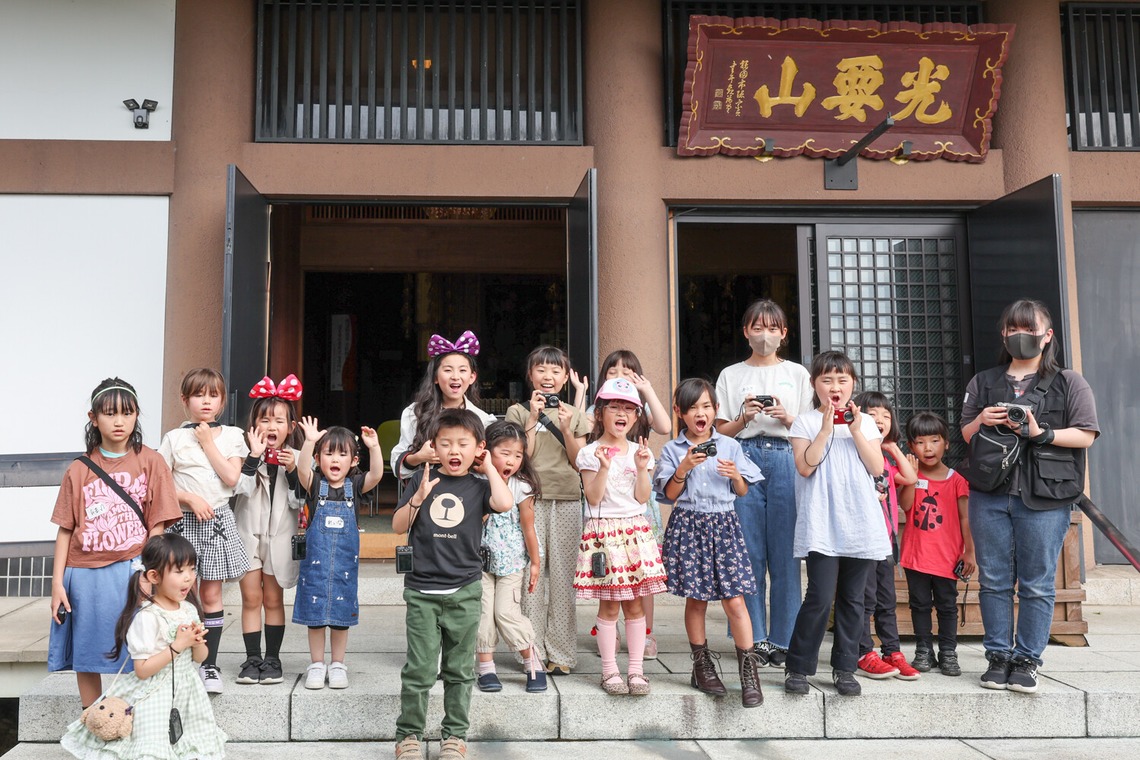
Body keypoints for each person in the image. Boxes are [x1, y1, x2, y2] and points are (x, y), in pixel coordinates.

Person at [960, 298, 1099, 693]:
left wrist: (1042, 433)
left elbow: (1086, 434)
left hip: (1045, 496)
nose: (1020, 336)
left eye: (1028, 329)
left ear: (1047, 335)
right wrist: (982, 420)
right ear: (1003, 334)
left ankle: (1027, 660)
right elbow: (966, 435)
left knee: (1037, 582)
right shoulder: (983, 382)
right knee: (995, 581)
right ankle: (998, 656)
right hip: (989, 493)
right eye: (1012, 329)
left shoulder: (1070, 382)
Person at [49, 378, 182, 709]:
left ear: (137, 415)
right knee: (87, 653)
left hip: (132, 570)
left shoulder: (151, 462)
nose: (119, 421)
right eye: (109, 414)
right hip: (83, 574)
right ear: (94, 418)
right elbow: (66, 529)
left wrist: (149, 574)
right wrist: (56, 584)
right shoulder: (78, 470)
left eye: (127, 412)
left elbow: (158, 524)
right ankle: (93, 723)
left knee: (137, 648)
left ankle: (131, 719)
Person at [391, 409, 514, 760]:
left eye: (463, 443)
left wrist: (489, 466)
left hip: (464, 590)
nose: (453, 450)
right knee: (420, 668)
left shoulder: (479, 486)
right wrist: (419, 496)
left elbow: (504, 503)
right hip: (422, 591)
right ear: (434, 447)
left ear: (478, 448)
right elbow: (399, 526)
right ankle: (408, 735)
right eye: (445, 443)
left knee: (460, 670)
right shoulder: (422, 479)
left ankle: (455, 736)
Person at [60, 534, 226, 760]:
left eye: (191, 569)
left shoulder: (188, 610)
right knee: (153, 749)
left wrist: (196, 643)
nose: (188, 578)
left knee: (189, 745)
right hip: (155, 695)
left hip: (188, 692)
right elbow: (142, 669)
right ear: (154, 576)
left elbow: (200, 657)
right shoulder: (147, 617)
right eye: (179, 571)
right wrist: (177, 646)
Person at [654, 378, 765, 707]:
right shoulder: (673, 450)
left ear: (716, 410)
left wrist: (736, 477)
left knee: (735, 601)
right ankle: (701, 667)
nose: (700, 413)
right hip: (689, 524)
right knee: (697, 600)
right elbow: (669, 496)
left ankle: (749, 673)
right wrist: (683, 468)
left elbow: (743, 491)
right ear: (679, 413)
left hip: (724, 524)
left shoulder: (730, 445)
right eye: (692, 408)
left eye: (706, 406)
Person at [784, 351, 890, 698]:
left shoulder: (866, 423)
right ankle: (799, 666)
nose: (835, 386)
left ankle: (845, 667)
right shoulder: (804, 422)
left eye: (842, 380)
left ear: (853, 385)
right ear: (815, 384)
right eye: (827, 379)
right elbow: (806, 466)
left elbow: (877, 468)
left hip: (860, 521)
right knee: (819, 596)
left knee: (853, 598)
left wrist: (856, 430)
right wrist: (826, 429)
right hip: (821, 523)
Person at [715, 299, 812, 666]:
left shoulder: (799, 374)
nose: (765, 335)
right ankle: (752, 639)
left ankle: (785, 639)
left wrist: (787, 417)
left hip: (788, 456)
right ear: (746, 331)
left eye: (773, 328)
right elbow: (721, 429)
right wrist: (745, 416)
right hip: (743, 454)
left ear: (784, 334)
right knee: (748, 550)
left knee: (787, 553)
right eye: (758, 327)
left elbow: (810, 430)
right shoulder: (731, 375)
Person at [572, 349, 671, 658]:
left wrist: (647, 389)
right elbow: (578, 430)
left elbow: (665, 426)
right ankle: (610, 643)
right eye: (613, 370)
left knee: (641, 582)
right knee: (610, 593)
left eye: (627, 370)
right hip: (606, 515)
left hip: (636, 507)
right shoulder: (596, 424)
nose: (620, 375)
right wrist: (580, 395)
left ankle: (644, 638)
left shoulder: (638, 409)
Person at [159, 368, 250, 693]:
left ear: (222, 400)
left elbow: (231, 478)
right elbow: (160, 481)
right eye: (199, 394)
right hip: (181, 523)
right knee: (182, 594)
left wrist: (208, 442)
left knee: (210, 594)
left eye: (213, 395)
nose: (206, 401)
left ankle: (209, 664)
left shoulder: (233, 435)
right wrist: (187, 497)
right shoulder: (173, 438)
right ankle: (183, 660)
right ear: (185, 400)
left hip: (216, 523)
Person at [505, 345, 591, 676]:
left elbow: (577, 460)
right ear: (530, 375)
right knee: (531, 578)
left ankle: (562, 653)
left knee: (562, 581)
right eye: (541, 369)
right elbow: (520, 457)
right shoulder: (516, 412)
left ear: (565, 376)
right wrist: (531, 418)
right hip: (529, 499)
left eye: (556, 370)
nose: (548, 376)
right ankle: (532, 650)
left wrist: (568, 428)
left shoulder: (575, 413)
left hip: (567, 498)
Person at [293, 417, 384, 690]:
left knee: (341, 618)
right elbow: (300, 468)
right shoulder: (314, 485)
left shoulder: (354, 487)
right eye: (329, 453)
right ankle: (317, 665)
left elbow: (377, 475)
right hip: (316, 568)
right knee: (316, 618)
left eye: (342, 454)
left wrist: (375, 447)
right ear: (319, 458)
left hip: (344, 567)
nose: (335, 459)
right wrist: (309, 442)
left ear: (354, 461)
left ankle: (338, 664)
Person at [232, 374, 305, 686]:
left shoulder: (299, 458)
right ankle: (252, 659)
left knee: (273, 599)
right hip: (248, 534)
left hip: (279, 538)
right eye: (265, 419)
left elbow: (300, 498)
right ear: (254, 425)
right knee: (250, 599)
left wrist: (292, 469)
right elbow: (238, 488)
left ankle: (273, 659)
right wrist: (253, 457)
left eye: (279, 420)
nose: (271, 426)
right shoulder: (244, 456)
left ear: (290, 427)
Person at [900, 411, 974, 677]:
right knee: (919, 603)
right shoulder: (910, 475)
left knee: (946, 604)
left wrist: (969, 552)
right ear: (910, 447)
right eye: (920, 442)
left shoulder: (957, 480)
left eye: (934, 440)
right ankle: (923, 649)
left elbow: (966, 518)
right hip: (916, 554)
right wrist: (912, 475)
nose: (927, 448)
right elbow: (906, 505)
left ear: (946, 443)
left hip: (947, 556)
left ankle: (948, 652)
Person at [853, 391, 919, 681]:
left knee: (885, 600)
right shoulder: (856, 454)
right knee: (864, 600)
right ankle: (863, 651)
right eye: (873, 414)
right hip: (861, 540)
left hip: (886, 540)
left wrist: (892, 449)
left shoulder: (888, 461)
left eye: (886, 415)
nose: (880, 419)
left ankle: (892, 651)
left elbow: (912, 478)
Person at [476, 421, 546, 694]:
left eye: (518, 455)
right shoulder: (475, 481)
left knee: (506, 612)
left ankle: (532, 661)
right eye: (505, 453)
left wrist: (536, 562)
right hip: (477, 560)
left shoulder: (521, 485)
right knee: (483, 613)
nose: (512, 460)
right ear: (486, 450)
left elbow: (528, 527)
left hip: (512, 561)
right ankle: (486, 666)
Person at [390, 330, 496, 483]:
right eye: (447, 370)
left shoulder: (483, 420)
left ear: (472, 377)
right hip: (424, 494)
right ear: (435, 377)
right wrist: (419, 457)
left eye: (462, 370)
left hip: (468, 499)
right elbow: (397, 465)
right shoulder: (415, 413)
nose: (455, 376)